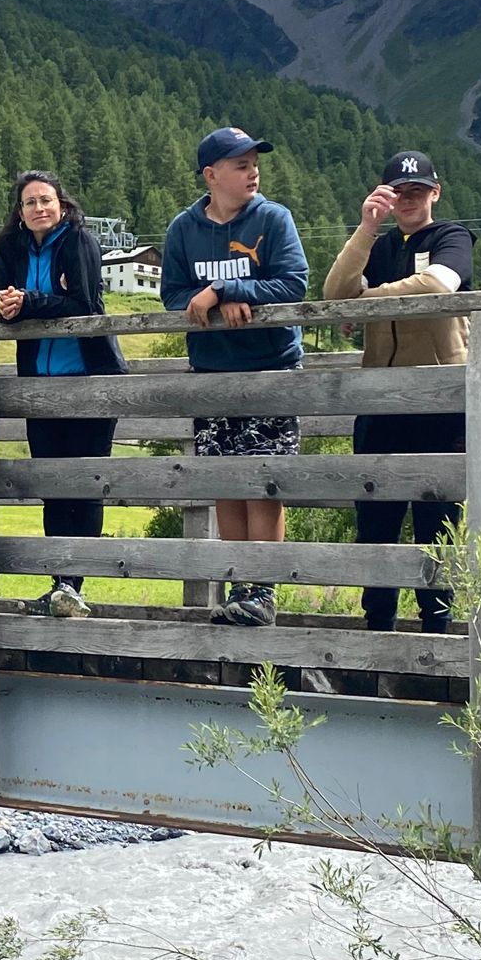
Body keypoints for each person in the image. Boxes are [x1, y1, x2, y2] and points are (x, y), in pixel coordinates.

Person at [160, 127, 310, 627]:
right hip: (212, 373)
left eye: (254, 163)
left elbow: (293, 281)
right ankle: (238, 586)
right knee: (226, 482)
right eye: (241, 164)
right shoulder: (184, 228)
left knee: (264, 483)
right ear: (211, 174)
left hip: (270, 368)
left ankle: (261, 592)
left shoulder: (273, 217)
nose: (253, 172)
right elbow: (173, 295)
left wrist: (226, 287)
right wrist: (215, 297)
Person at [324, 151, 475, 635]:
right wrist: (366, 229)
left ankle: (437, 627)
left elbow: (438, 285)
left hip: (442, 403)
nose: (408, 200)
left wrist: (364, 303)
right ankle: (378, 626)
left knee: (438, 523)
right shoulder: (380, 246)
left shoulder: (452, 237)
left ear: (436, 192)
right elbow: (334, 292)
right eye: (398, 192)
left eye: (417, 191)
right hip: (380, 403)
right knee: (376, 523)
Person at [0, 171, 127, 619]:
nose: (38, 209)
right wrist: (18, 306)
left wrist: (29, 302)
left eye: (45, 200)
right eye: (29, 203)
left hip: (90, 381)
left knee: (84, 486)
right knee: (52, 487)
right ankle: (58, 584)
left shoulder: (79, 242)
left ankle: (77, 585)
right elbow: (5, 303)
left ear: (62, 205)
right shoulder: (9, 248)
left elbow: (86, 305)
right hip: (39, 386)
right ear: (19, 212)